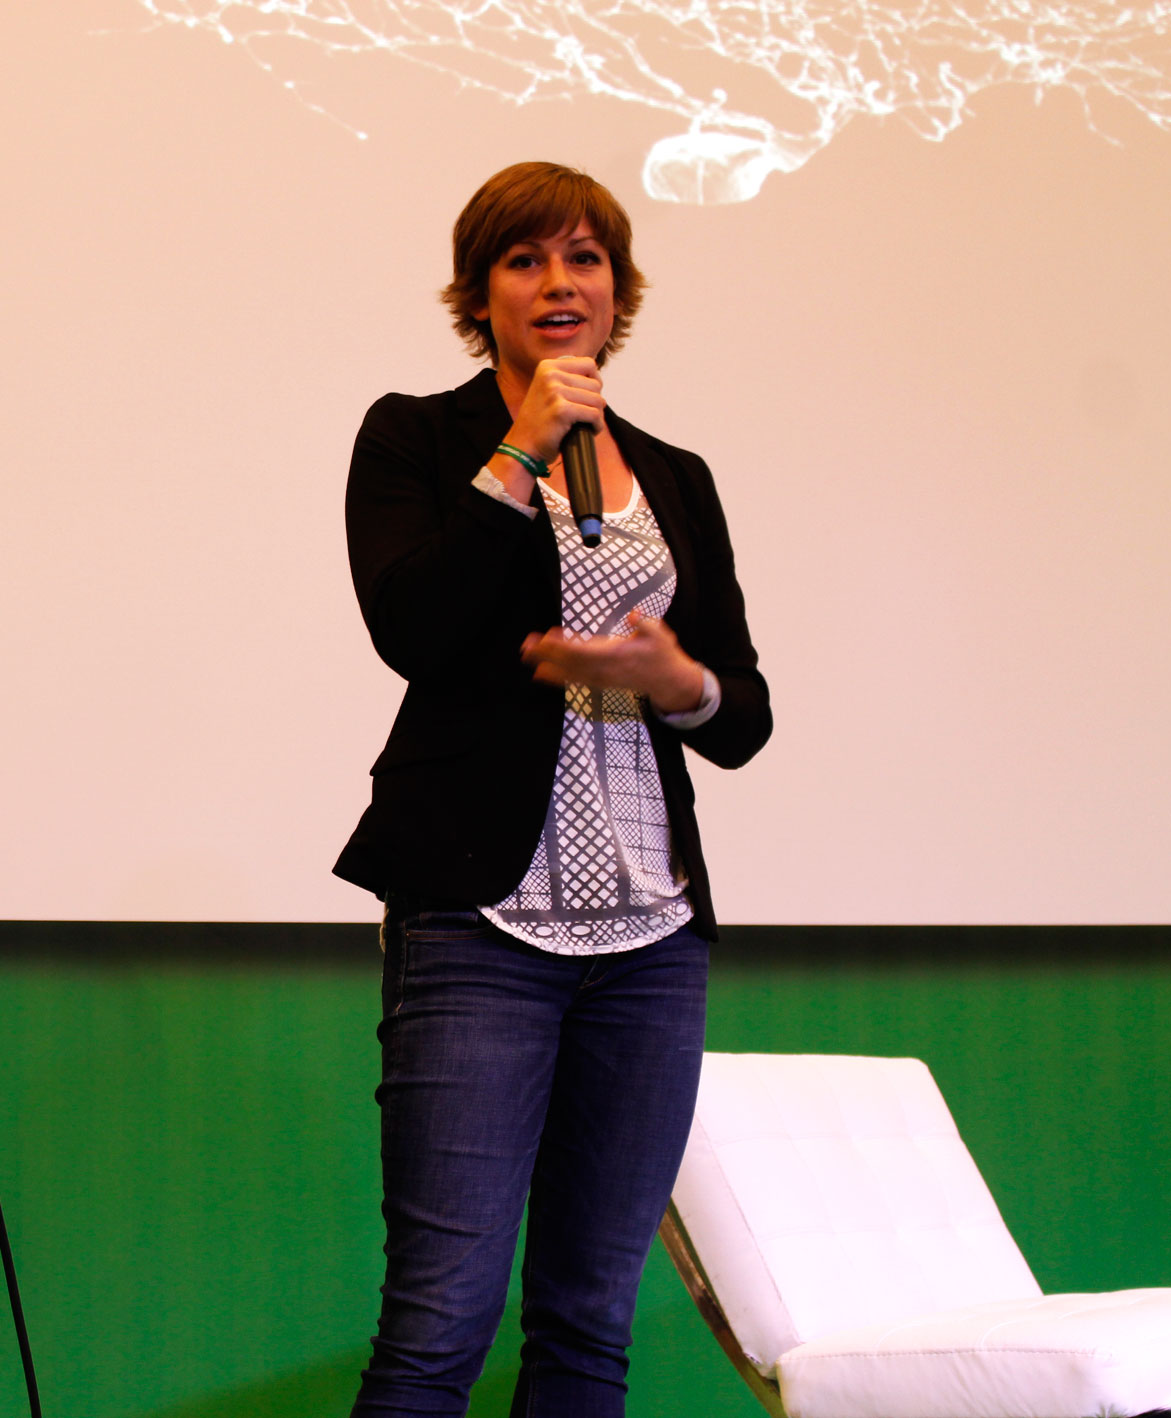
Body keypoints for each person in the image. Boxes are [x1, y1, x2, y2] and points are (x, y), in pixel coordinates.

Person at [334, 161, 773, 1417]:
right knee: (437, 1322)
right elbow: (413, 624)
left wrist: (670, 674)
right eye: (524, 261)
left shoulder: (673, 475)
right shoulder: (414, 435)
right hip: (480, 924)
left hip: (650, 936)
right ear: (481, 295)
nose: (558, 282)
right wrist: (518, 446)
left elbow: (739, 712)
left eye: (583, 257)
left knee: (588, 1324)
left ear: (616, 289)